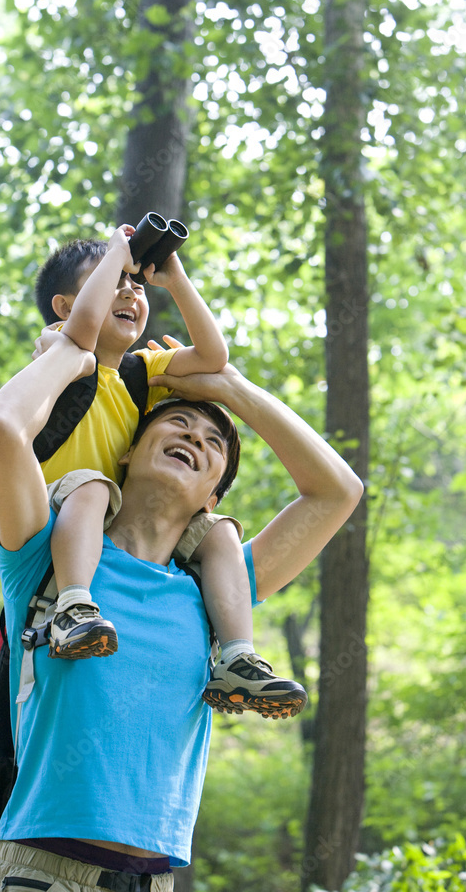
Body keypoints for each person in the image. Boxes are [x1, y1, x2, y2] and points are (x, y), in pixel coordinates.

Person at [0, 324, 363, 890]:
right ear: (129, 450)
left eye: (215, 444)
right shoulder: (48, 553)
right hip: (41, 868)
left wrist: (230, 386)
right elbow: (4, 432)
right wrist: (73, 353)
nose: (196, 437)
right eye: (178, 422)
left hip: (155, 878)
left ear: (213, 497)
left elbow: (337, 491)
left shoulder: (218, 592)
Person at [30, 222, 305, 714]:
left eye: (136, 287)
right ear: (64, 307)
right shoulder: (59, 349)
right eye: (114, 280)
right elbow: (85, 328)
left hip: (113, 519)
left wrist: (174, 279)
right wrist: (118, 250)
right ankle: (71, 605)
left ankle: (238, 658)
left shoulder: (141, 372)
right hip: (53, 512)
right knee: (92, 488)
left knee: (217, 532)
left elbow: (214, 357)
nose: (130, 292)